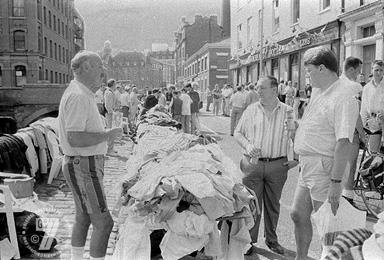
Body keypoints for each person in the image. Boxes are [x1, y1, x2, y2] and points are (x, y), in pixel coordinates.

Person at [291, 46, 359, 260]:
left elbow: (344, 141)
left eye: (308, 70)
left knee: (328, 229)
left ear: (322, 68)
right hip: (308, 166)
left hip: (326, 167)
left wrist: (336, 182)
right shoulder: (320, 92)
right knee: (297, 214)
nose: (306, 76)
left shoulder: (343, 96)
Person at [58, 51, 122, 260]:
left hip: (79, 164)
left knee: (83, 217)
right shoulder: (78, 96)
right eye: (98, 66)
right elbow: (75, 137)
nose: (103, 71)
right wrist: (108, 135)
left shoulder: (81, 92)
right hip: (84, 165)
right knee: (104, 224)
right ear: (85, 67)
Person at [234, 75, 299, 256]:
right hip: (253, 165)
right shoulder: (251, 110)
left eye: (262, 87)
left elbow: (297, 135)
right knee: (251, 205)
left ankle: (272, 240)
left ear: (274, 90)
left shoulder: (288, 111)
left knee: (273, 205)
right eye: (257, 87)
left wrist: (296, 158)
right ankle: (249, 241)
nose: (258, 91)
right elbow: (237, 133)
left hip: (278, 165)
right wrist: (248, 146)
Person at [339, 56, 366, 205]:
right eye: (358, 71)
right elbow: (355, 115)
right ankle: (348, 198)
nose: (359, 75)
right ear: (351, 70)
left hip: (339, 133)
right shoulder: (349, 87)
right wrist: (362, 134)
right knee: (350, 166)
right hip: (349, 134)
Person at [104, 79, 118, 154]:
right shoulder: (109, 93)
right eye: (115, 84)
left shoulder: (111, 92)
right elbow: (107, 105)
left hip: (111, 113)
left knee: (112, 130)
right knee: (110, 131)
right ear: (112, 84)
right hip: (109, 114)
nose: (116, 86)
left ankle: (111, 148)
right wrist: (112, 112)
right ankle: (109, 149)